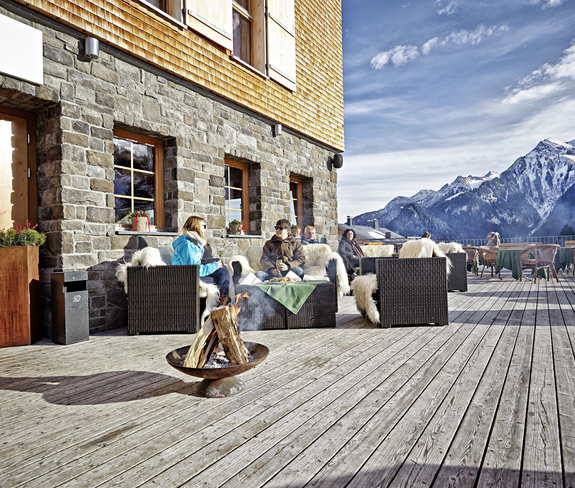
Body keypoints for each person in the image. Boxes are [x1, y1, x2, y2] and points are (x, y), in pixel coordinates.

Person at [172, 215, 230, 302]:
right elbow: (193, 270)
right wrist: (214, 266)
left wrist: (215, 264)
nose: (205, 229)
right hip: (187, 277)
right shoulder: (187, 245)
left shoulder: (195, 243)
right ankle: (223, 303)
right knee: (220, 280)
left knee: (224, 271)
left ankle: (224, 301)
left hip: (195, 273)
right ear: (196, 227)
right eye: (203, 226)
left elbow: (197, 264)